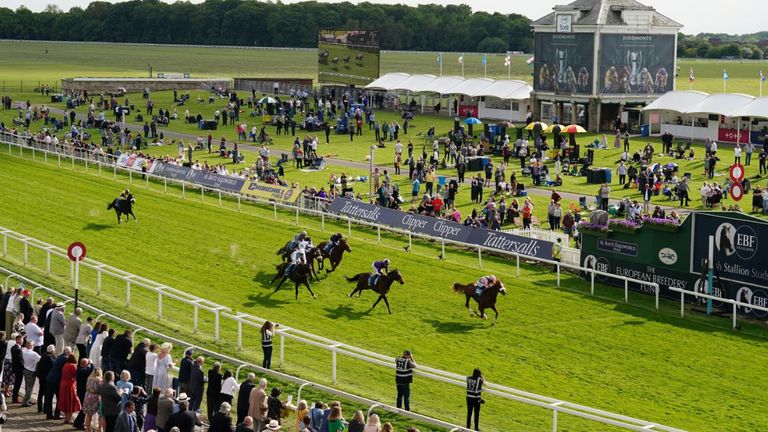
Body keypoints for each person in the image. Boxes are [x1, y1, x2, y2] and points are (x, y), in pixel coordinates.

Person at [83, 367, 104, 432]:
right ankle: (100, 429)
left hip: (88, 396)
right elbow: (102, 390)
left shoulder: (89, 379)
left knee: (89, 414)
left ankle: (88, 429)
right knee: (100, 415)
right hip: (96, 398)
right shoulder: (99, 380)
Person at [20, 340, 40, 407]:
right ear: (31, 346)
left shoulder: (23, 351)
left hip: (25, 370)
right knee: (30, 388)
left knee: (27, 386)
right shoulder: (34, 354)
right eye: (33, 345)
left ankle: (27, 399)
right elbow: (40, 360)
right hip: (31, 371)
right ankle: (25, 402)